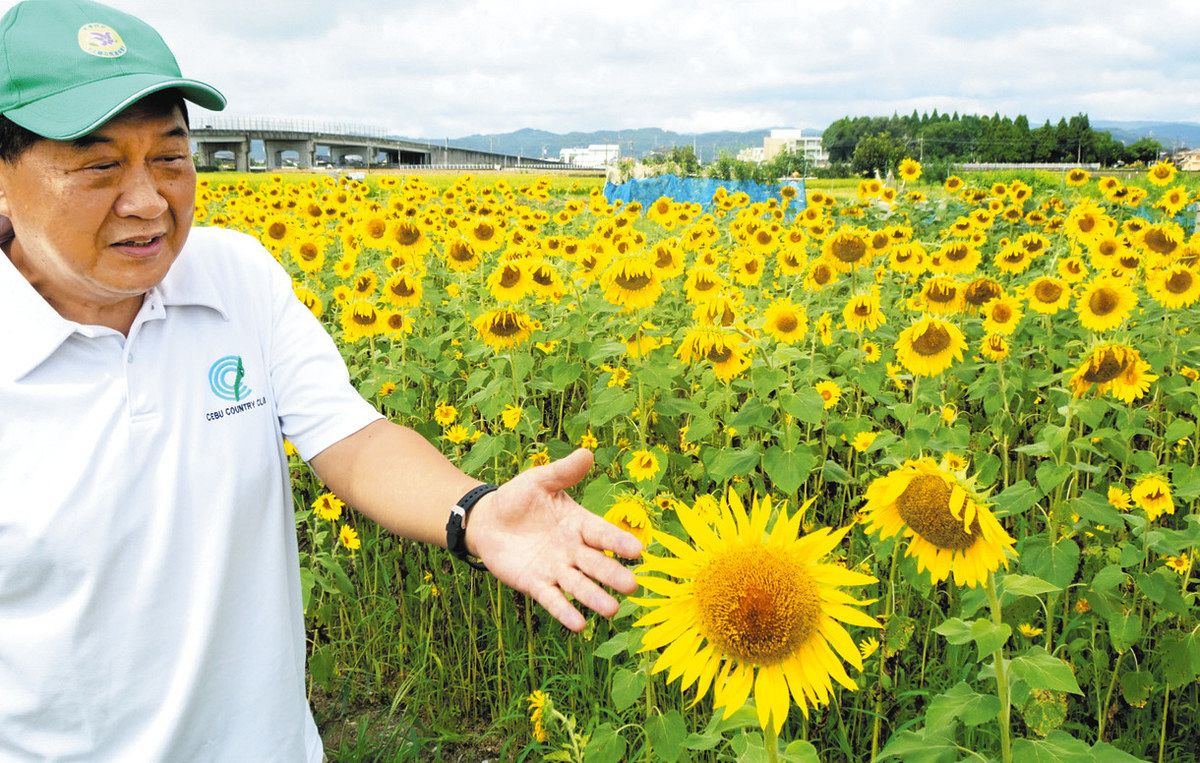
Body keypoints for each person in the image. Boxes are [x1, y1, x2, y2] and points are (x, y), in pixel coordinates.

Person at [0, 1, 642, 760]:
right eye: (101, 165)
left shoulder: (233, 275)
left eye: (170, 158)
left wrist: (473, 512)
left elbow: (353, 438)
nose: (148, 201)